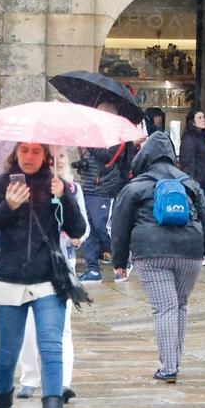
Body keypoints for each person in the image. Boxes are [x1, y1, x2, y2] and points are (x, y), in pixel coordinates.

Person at [0, 142, 87, 408]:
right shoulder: (0, 185)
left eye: (37, 151)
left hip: (48, 279)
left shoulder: (55, 185)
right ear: (16, 152)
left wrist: (64, 195)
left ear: (47, 155)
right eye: (24, 150)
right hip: (8, 277)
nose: (29, 157)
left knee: (51, 348)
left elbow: (77, 230)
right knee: (8, 352)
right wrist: (6, 207)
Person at [111, 132, 205, 382]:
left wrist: (119, 262)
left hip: (152, 254)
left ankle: (168, 367)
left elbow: (120, 225)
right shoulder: (189, 183)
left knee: (164, 308)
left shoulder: (136, 186)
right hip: (190, 253)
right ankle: (175, 362)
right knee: (179, 305)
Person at [17, 147, 86, 403]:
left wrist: (77, 238)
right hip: (31, 265)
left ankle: (63, 381)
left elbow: (82, 226)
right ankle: (30, 378)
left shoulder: (73, 190)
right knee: (30, 327)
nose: (56, 163)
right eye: (52, 159)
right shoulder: (29, 187)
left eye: (61, 158)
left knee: (63, 327)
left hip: (62, 265)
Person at [75, 103, 133, 283]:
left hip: (105, 190)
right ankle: (93, 269)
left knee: (102, 227)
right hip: (88, 187)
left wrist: (90, 143)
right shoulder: (93, 135)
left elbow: (107, 157)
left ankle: (123, 261)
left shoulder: (117, 136)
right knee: (86, 229)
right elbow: (91, 160)